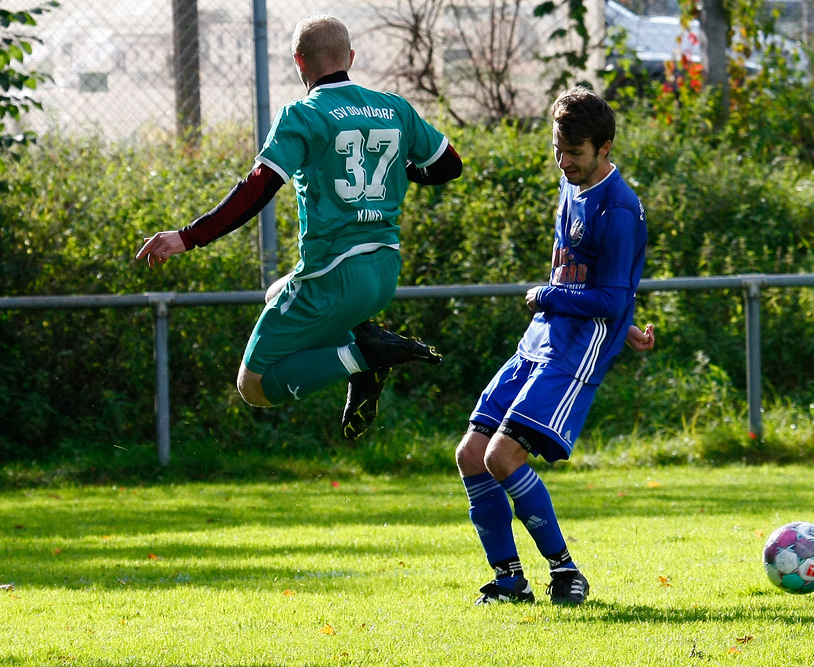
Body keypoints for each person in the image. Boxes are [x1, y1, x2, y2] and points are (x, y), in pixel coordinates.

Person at [136, 13, 462, 434]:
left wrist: (189, 237)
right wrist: (403, 168)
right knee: (277, 290)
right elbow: (449, 166)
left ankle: (363, 356)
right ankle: (363, 355)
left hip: (332, 275)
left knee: (252, 386)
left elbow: (257, 189)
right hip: (384, 271)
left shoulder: (303, 114)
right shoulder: (394, 108)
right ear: (351, 57)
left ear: (298, 62)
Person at [454, 87, 652, 606]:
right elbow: (598, 285)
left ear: (605, 147)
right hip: (542, 337)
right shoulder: (573, 185)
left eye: (576, 154)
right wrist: (620, 321)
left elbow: (608, 298)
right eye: (558, 151)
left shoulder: (619, 209)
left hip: (574, 349)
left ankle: (566, 572)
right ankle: (509, 581)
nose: (564, 163)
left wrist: (553, 296)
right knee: (472, 453)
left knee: (502, 455)